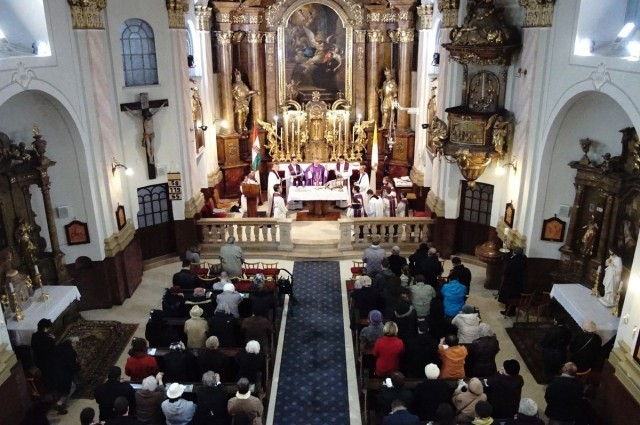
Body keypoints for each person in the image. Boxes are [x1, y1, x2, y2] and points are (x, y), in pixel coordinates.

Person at [50, 336, 80, 414]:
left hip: (52, 372)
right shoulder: (69, 352)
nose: (76, 346)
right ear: (73, 343)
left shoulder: (61, 346)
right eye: (76, 344)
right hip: (62, 375)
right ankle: (60, 403)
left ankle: (60, 401)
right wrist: (78, 366)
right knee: (72, 387)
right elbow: (72, 367)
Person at [499, 247, 527, 316]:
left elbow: (507, 271)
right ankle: (512, 311)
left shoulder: (513, 260)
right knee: (515, 297)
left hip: (510, 282)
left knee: (509, 298)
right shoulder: (523, 259)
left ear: (514, 252)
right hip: (519, 282)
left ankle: (508, 312)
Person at [31, 318, 56, 382]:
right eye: (48, 328)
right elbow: (54, 350)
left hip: (37, 360)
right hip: (47, 362)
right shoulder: (49, 339)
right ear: (45, 328)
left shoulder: (34, 335)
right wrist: (53, 340)